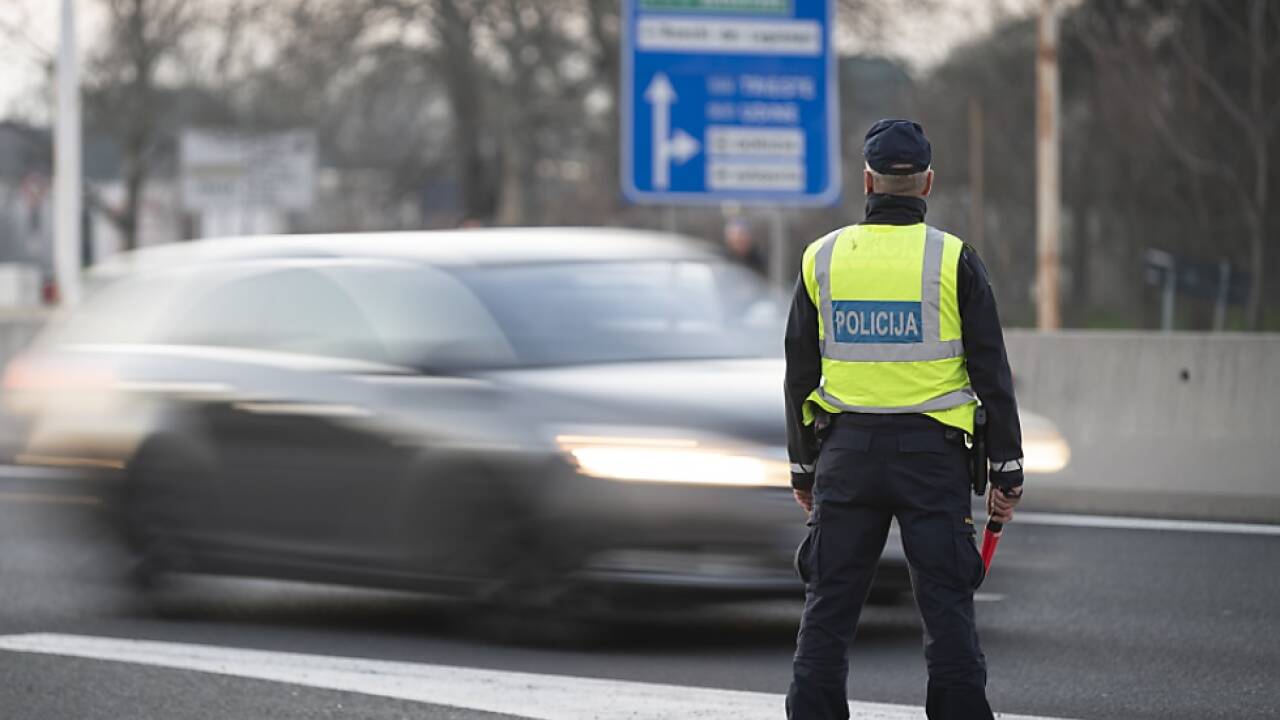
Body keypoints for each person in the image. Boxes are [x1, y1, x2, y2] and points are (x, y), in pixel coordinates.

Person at [783, 119, 1025, 720]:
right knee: (947, 617)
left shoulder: (824, 258)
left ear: (867, 180)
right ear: (927, 184)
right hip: (933, 460)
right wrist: (1007, 467)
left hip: (847, 457)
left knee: (828, 613)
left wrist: (802, 469)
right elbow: (992, 369)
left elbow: (798, 375)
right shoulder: (954, 259)